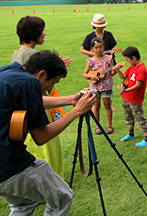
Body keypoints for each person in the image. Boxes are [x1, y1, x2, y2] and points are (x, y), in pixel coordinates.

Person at [0, 50, 96, 216]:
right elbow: (41, 137)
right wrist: (76, 111)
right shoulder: (30, 83)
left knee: (24, 203)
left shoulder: (10, 72)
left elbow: (33, 100)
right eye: (53, 83)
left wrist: (71, 100)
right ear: (41, 74)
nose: (51, 88)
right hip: (8, 166)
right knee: (62, 197)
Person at [11, 15, 71, 177]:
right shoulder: (31, 54)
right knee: (47, 145)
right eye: (41, 31)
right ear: (34, 32)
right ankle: (50, 176)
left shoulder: (18, 53)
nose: (44, 34)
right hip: (38, 105)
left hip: (24, 110)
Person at [82, 37, 121, 135]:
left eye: (100, 47)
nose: (98, 50)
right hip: (95, 87)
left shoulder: (109, 59)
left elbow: (112, 72)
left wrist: (115, 69)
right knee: (96, 106)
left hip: (106, 86)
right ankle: (97, 126)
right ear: (92, 49)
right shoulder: (91, 60)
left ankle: (109, 125)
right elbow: (84, 74)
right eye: (96, 48)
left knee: (107, 105)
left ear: (104, 47)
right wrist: (91, 76)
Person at [116, 46, 147, 147]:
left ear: (134, 58)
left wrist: (126, 90)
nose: (127, 62)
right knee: (128, 116)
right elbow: (124, 77)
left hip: (135, 99)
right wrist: (118, 70)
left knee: (139, 117)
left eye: (128, 60)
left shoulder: (141, 69)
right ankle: (131, 133)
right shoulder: (132, 67)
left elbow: (138, 85)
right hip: (126, 97)